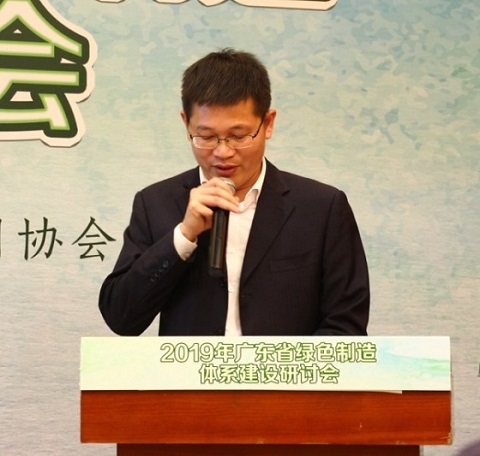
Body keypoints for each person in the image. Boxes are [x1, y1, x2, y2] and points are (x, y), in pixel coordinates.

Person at [99, 48, 370, 336]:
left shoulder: (322, 208)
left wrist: (274, 365)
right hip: (192, 368)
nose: (223, 152)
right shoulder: (155, 203)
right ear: (186, 124)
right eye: (206, 136)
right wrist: (183, 236)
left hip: (282, 368)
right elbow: (121, 318)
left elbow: (347, 327)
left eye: (239, 136)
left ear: (268, 123)